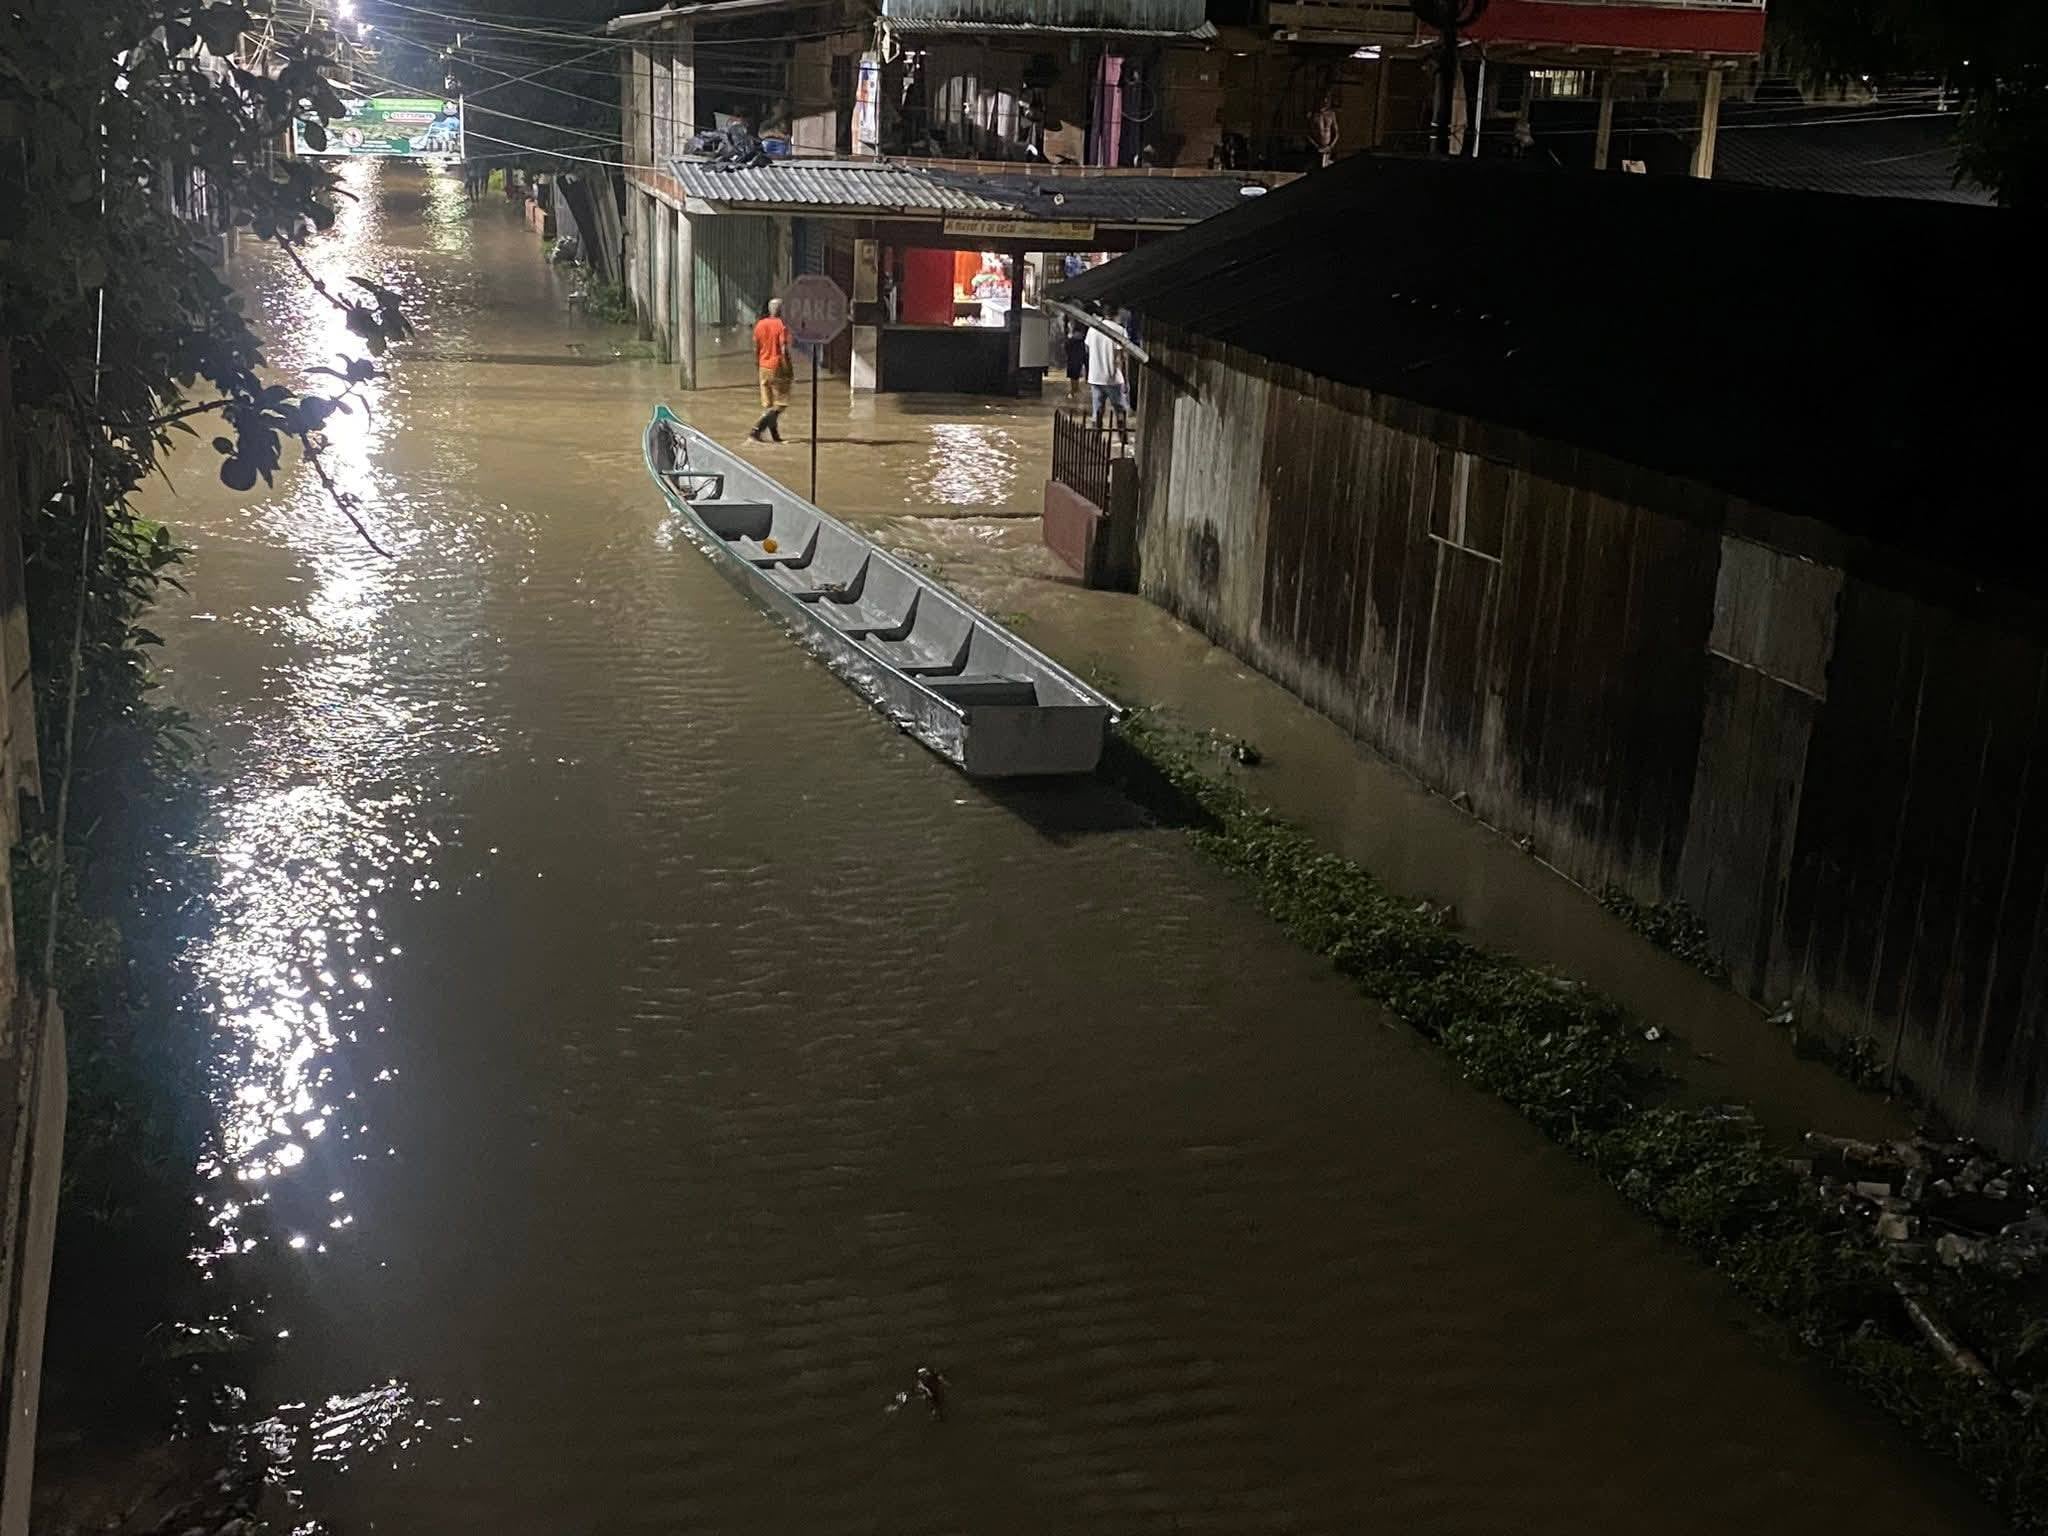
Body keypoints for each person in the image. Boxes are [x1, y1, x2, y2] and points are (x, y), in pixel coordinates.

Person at [750, 298, 793, 444]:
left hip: (763, 366)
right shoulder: (782, 325)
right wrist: (788, 369)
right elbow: (784, 349)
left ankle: (775, 436)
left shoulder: (759, 325)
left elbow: (755, 347)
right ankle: (756, 430)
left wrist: (757, 363)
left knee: (769, 405)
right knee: (781, 404)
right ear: (781, 310)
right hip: (777, 366)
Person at [1084, 313, 1126, 432]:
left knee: (1097, 412)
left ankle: (1096, 439)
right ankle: (1123, 439)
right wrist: (1125, 380)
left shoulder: (1093, 329)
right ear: (1116, 313)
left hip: (1095, 377)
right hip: (1113, 378)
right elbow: (1121, 358)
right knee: (1120, 411)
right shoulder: (1119, 330)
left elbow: (1087, 349)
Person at [1063, 314, 1088, 400]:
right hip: (1074, 342)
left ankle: (1075, 389)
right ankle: (1074, 389)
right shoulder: (1069, 320)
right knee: (1074, 367)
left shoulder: (1079, 320)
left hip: (1078, 342)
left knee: (1075, 366)